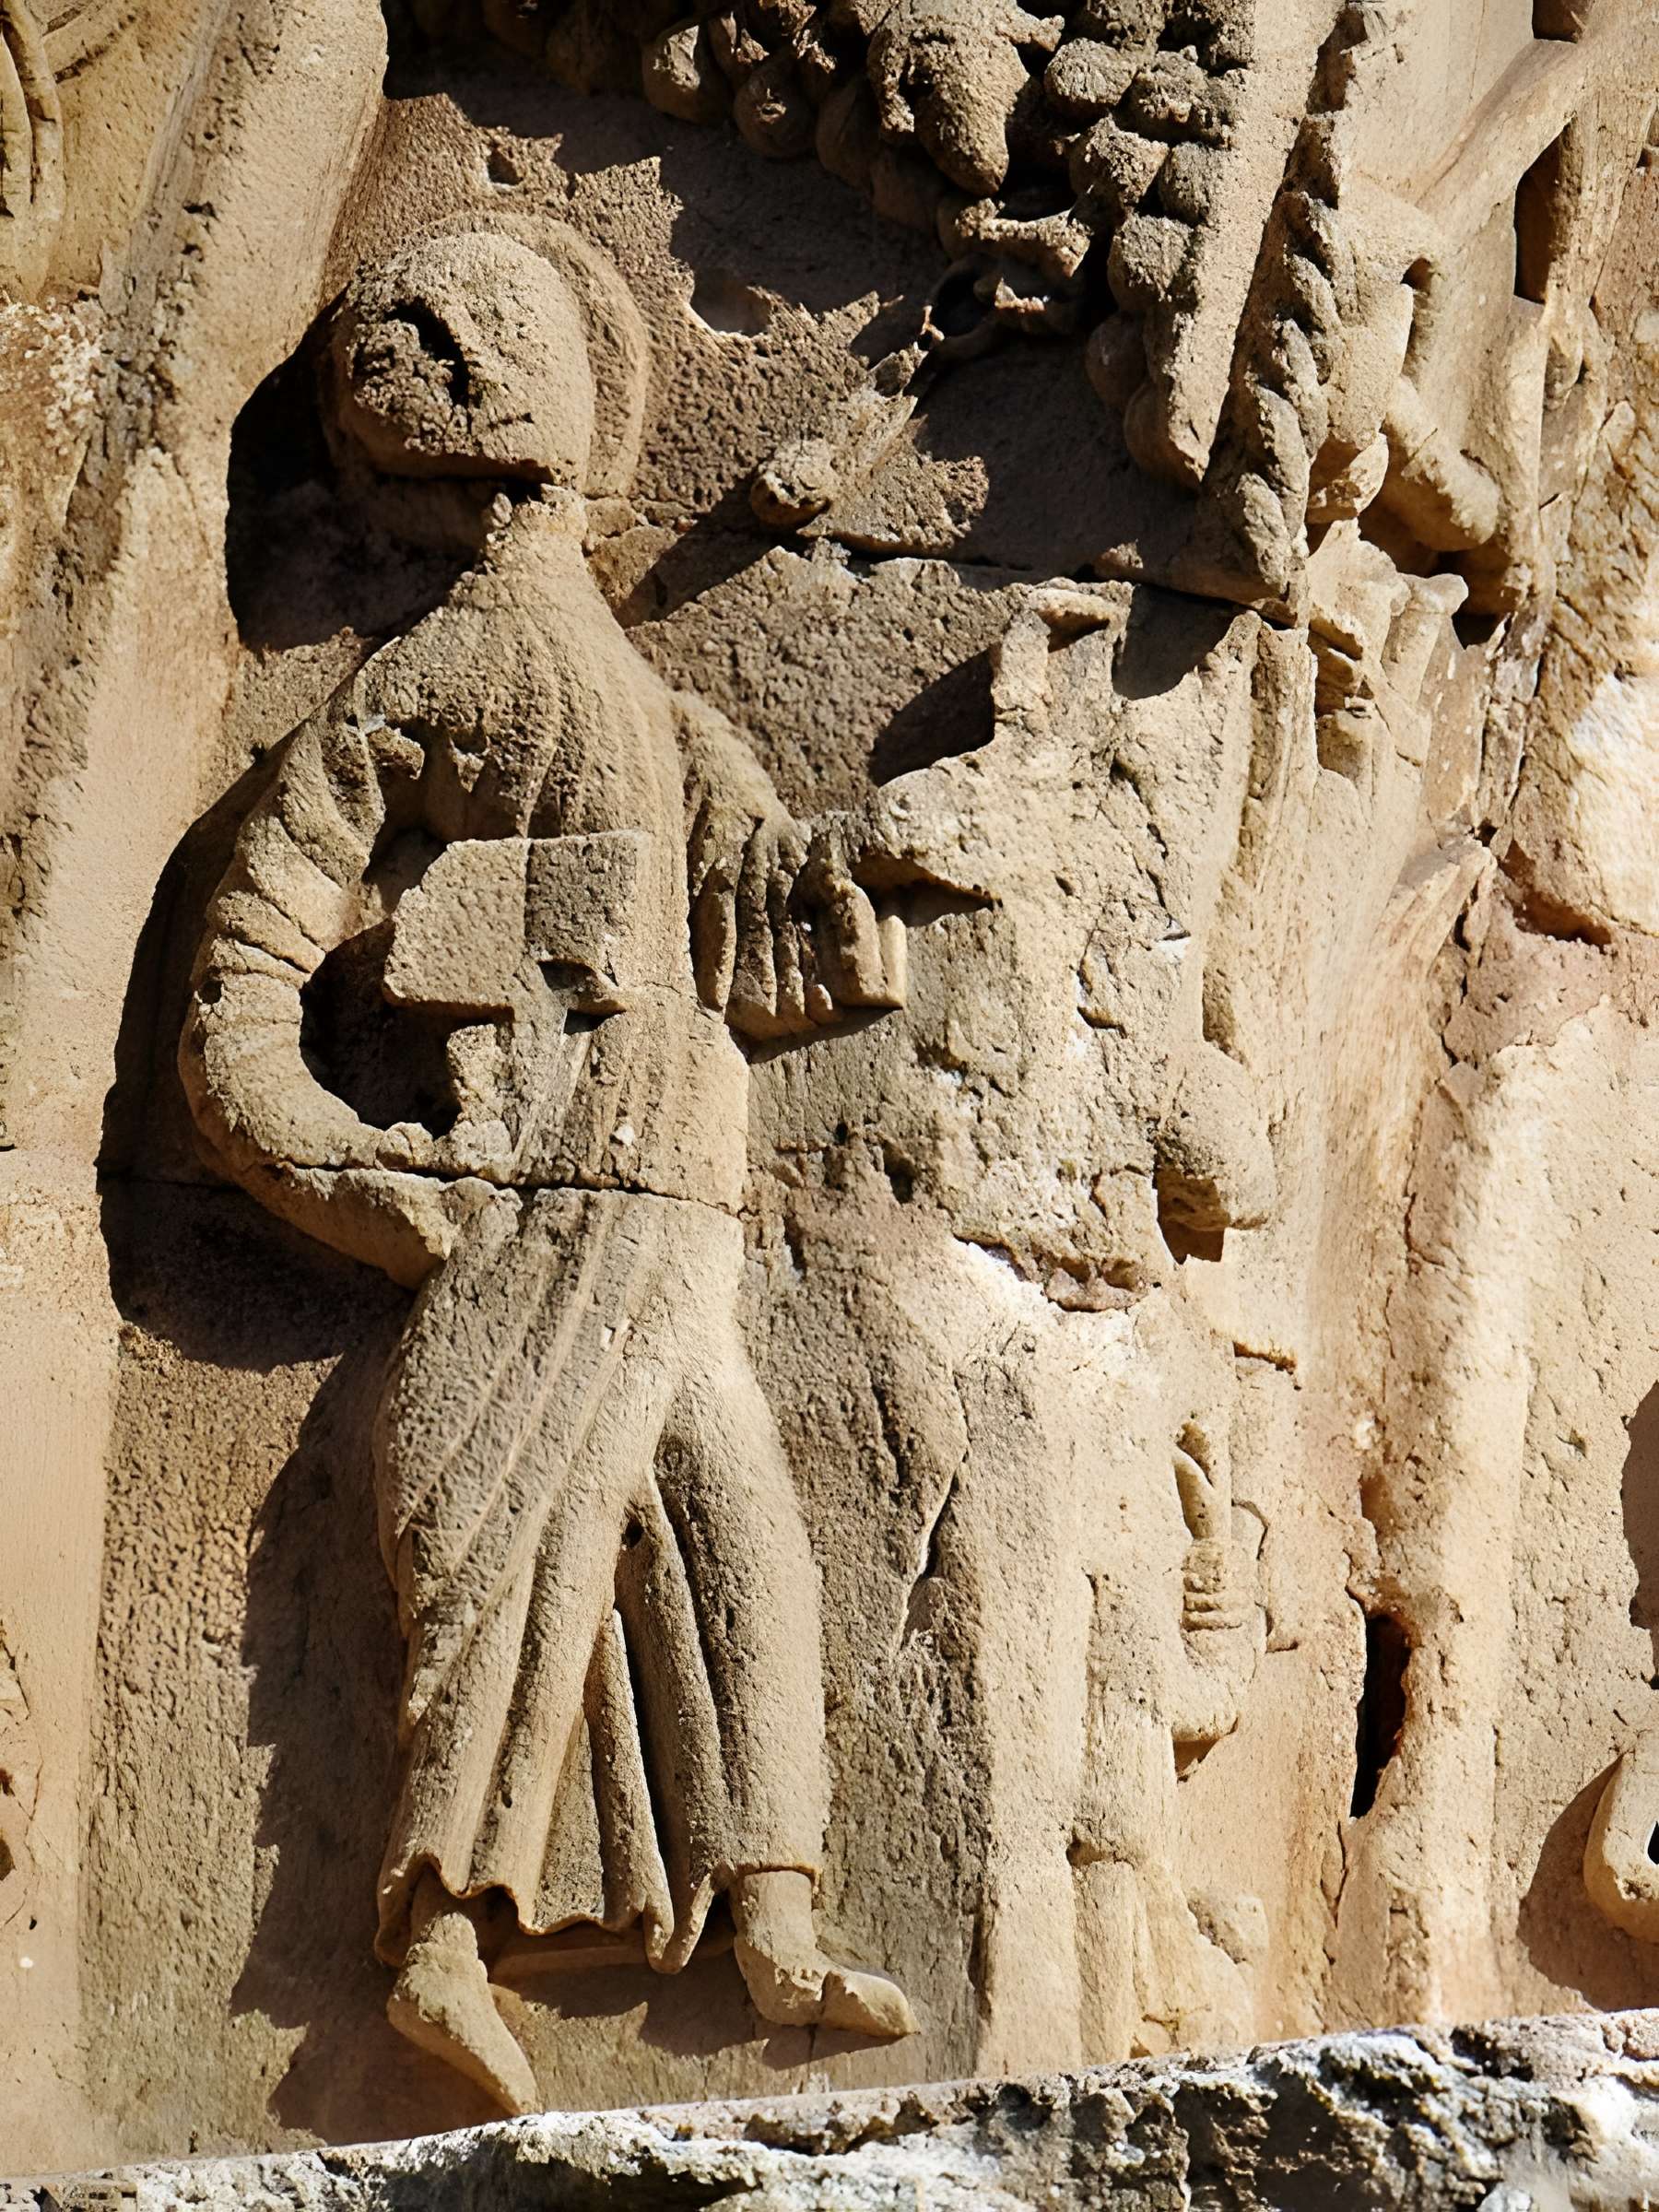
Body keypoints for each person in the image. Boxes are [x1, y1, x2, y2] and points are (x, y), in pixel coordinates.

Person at [181, 228, 921, 2113]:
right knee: (520, 1545)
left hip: (675, 1195)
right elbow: (237, 989)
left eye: (495, 338)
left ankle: (769, 1914)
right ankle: (436, 1939)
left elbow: (759, 912)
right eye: (437, 345)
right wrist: (354, 1172)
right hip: (537, 1203)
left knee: (734, 1527)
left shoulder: (663, 712)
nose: (479, 374)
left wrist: (843, 870)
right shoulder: (430, 676)